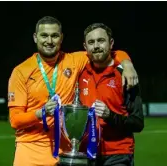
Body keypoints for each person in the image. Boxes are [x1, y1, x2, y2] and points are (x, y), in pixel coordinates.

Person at [8, 16, 139, 166]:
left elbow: (108, 52)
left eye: (54, 36)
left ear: (61, 38)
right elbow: (15, 120)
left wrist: (127, 64)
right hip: (30, 150)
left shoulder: (74, 61)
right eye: (44, 35)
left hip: (66, 151)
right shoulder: (21, 71)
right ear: (35, 37)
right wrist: (41, 112)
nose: (49, 41)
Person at [78, 23, 144, 166]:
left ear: (111, 43)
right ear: (85, 47)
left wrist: (110, 116)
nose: (96, 46)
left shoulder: (126, 75)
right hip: (86, 153)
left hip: (118, 154)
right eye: (91, 42)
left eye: (101, 40)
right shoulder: (79, 72)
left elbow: (138, 123)